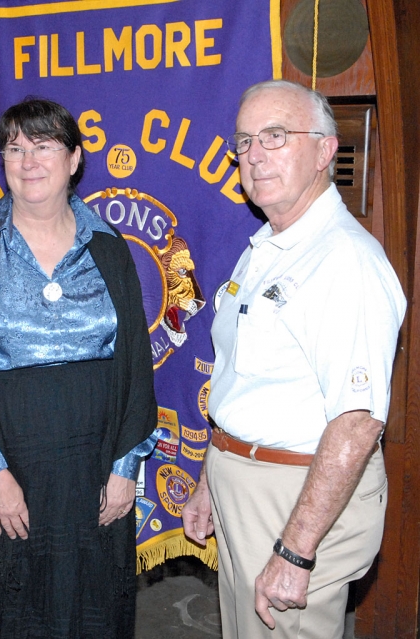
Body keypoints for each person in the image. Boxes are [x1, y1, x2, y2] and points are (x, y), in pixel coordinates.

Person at [0, 97, 158, 638]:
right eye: (14, 148)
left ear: (74, 159)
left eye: (43, 146)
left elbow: (135, 369)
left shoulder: (108, 247)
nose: (27, 160)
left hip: (92, 470)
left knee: (87, 609)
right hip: (6, 463)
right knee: (4, 614)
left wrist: (126, 471)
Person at [182, 80, 406, 639]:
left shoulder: (343, 260)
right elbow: (247, 382)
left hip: (295, 496)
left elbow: (357, 423)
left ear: (326, 150)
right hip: (247, 483)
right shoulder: (267, 246)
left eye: (275, 136)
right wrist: (214, 477)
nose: (254, 155)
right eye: (244, 141)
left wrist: (296, 551)